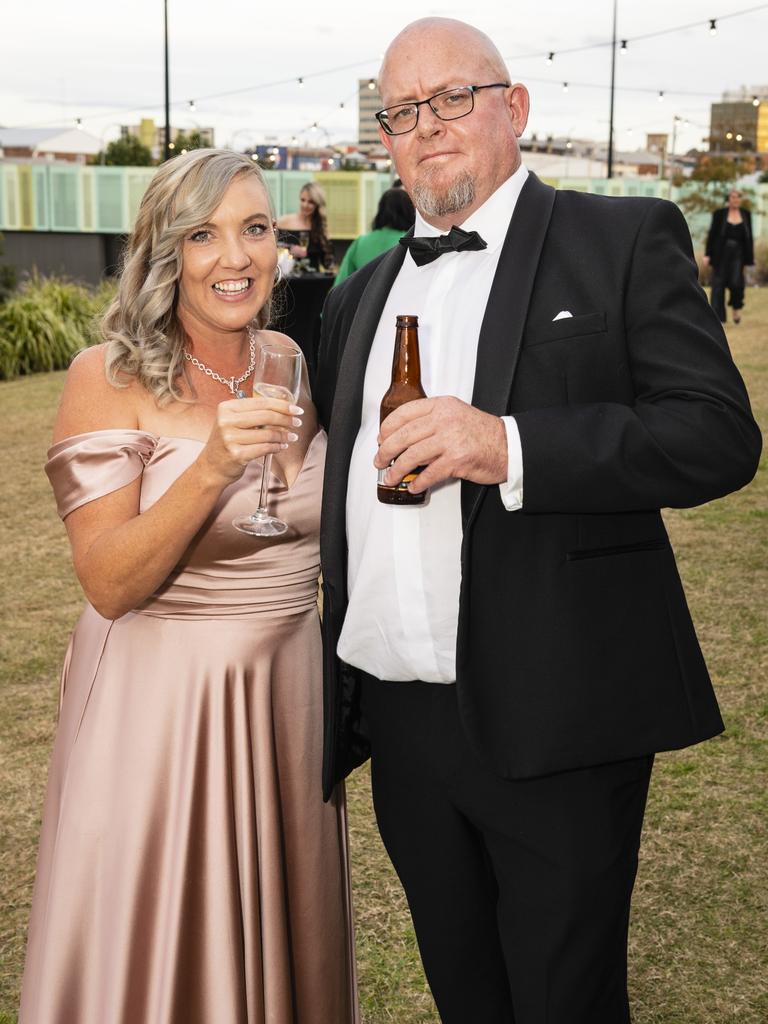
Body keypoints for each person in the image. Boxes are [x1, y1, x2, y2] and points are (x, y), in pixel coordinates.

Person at [314, 18, 761, 1024]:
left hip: (561, 706)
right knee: (466, 992)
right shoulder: (361, 293)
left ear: (514, 108)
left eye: (452, 99)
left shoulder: (620, 239)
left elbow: (718, 436)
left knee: (565, 999)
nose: (427, 127)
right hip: (401, 718)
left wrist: (508, 446)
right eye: (401, 112)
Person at [20, 149, 358, 1024]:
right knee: (165, 946)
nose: (236, 257)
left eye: (254, 229)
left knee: (287, 940)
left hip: (288, 701)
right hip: (160, 714)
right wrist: (209, 466)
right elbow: (108, 581)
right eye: (203, 235)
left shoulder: (288, 358)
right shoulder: (108, 376)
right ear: (164, 250)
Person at [334, 187, 415, 286]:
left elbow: (341, 282)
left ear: (380, 211)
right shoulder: (413, 243)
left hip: (362, 299)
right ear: (409, 211)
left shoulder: (360, 242)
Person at [704, 188, 754, 324]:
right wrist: (707, 254)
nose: (735, 199)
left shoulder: (746, 214)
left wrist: (750, 258)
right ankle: (718, 318)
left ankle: (736, 310)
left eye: (738, 197)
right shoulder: (719, 214)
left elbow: (749, 237)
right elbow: (712, 235)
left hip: (739, 254)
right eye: (733, 197)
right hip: (721, 254)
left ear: (740, 199)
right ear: (728, 199)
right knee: (718, 285)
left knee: (736, 283)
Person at [277, 181, 333, 270]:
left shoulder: (320, 228)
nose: (305, 205)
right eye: (303, 200)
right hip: (289, 280)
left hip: (312, 280)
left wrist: (327, 242)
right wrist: (290, 249)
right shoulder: (284, 221)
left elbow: (328, 264)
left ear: (317, 205)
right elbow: (272, 246)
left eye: (311, 202)